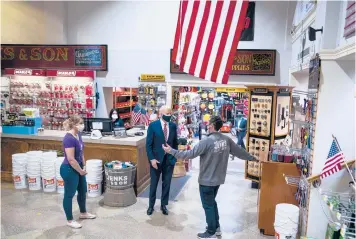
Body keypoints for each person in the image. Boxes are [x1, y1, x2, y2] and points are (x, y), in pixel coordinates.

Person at [162, 116, 257, 239]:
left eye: (208, 124)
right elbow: (240, 152)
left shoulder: (206, 141)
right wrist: (252, 158)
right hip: (218, 179)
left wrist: (171, 151)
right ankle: (216, 227)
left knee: (208, 205)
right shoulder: (226, 140)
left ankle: (211, 230)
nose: (207, 126)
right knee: (212, 203)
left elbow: (188, 155)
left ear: (212, 125)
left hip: (207, 180)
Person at [60, 115, 96, 229]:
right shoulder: (68, 138)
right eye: (80, 123)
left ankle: (83, 213)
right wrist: (80, 171)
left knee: (82, 190)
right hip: (69, 169)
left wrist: (84, 165)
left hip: (79, 166)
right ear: (74, 125)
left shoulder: (78, 135)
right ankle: (70, 220)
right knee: (69, 194)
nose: (82, 125)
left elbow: (81, 151)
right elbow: (71, 159)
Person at [146, 105, 178, 216]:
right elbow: (148, 145)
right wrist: (152, 159)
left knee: (167, 183)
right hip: (156, 160)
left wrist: (174, 157)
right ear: (160, 114)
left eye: (170, 114)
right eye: (167, 114)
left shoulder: (173, 126)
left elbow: (175, 143)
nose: (169, 116)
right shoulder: (153, 126)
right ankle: (151, 205)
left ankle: (164, 205)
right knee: (153, 184)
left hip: (169, 160)